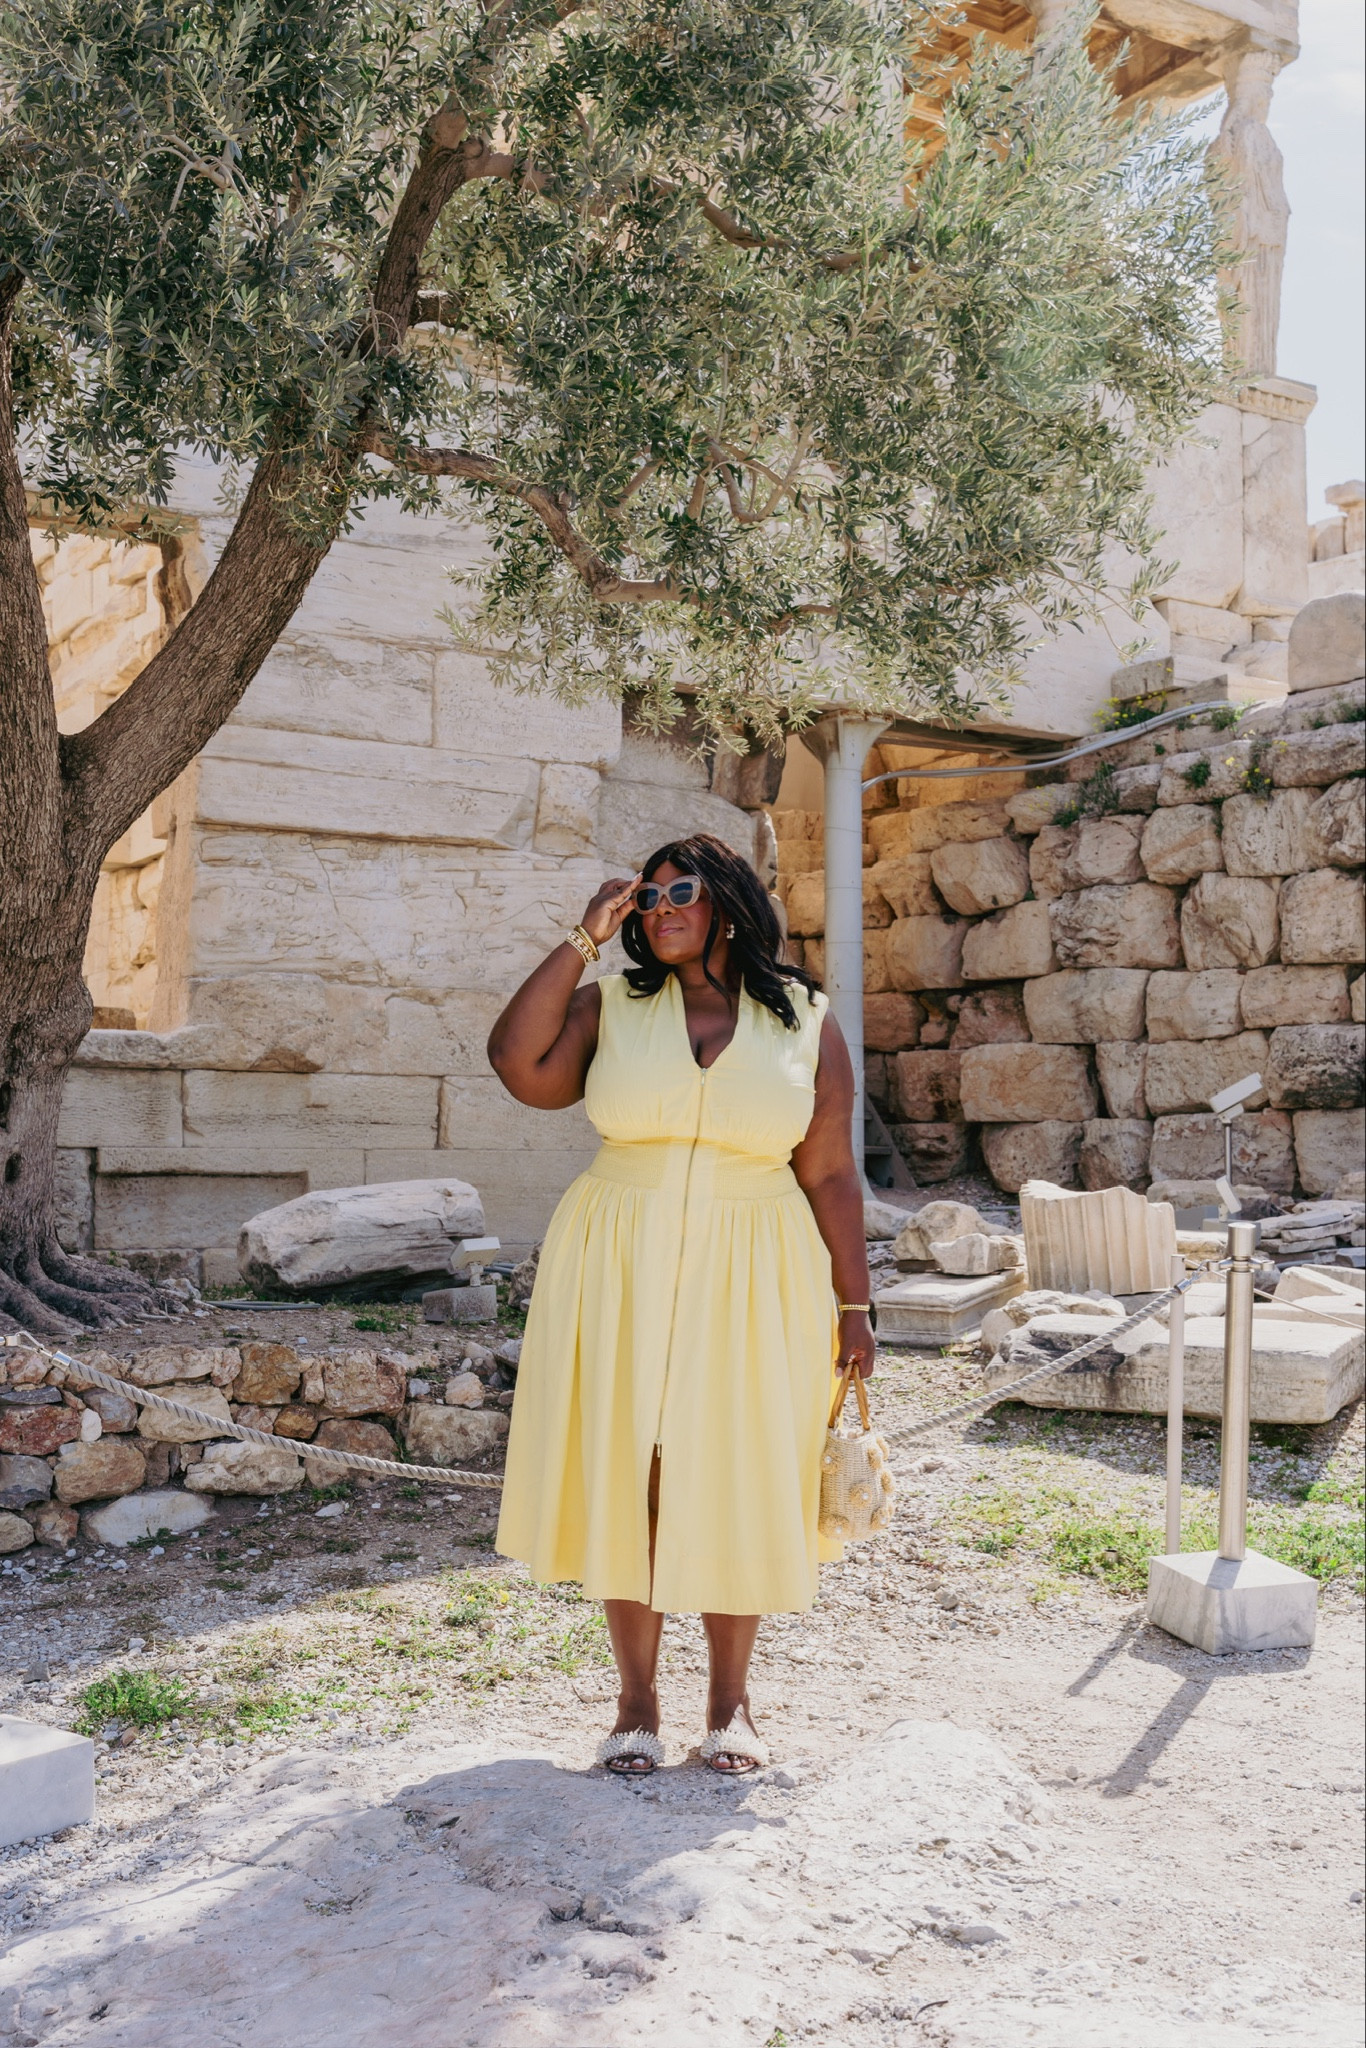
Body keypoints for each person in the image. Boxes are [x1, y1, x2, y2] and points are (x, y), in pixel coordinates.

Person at [488, 832, 875, 1775]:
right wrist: (584, 937)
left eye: (681, 892)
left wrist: (854, 1306)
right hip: (617, 1255)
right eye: (646, 898)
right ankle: (635, 1703)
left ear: (729, 903)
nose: (659, 910)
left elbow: (828, 1174)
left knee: (737, 1467)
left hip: (760, 1265)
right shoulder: (611, 1004)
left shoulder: (806, 1021)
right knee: (636, 1469)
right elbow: (517, 1063)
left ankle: (731, 1705)